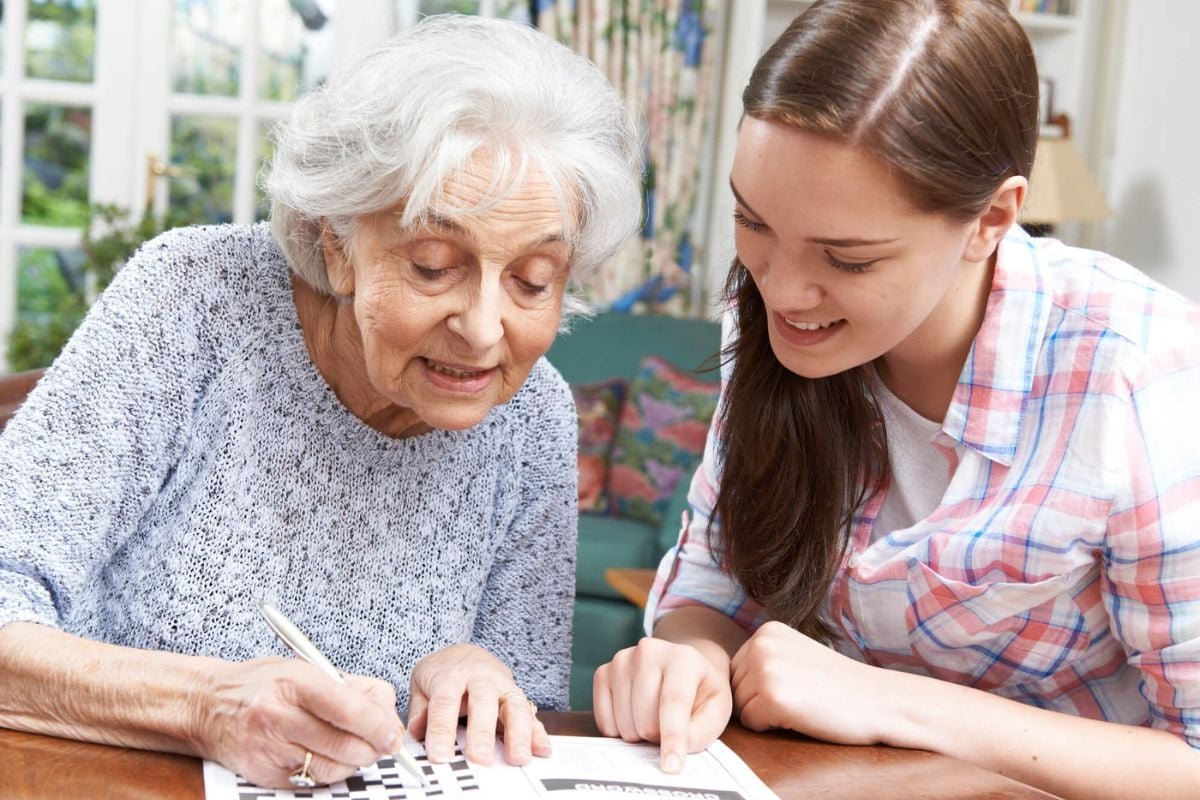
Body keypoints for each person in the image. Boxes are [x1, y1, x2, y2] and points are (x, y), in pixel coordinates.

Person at [0, 15, 640, 790]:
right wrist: (204, 703)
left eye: (533, 280)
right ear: (336, 243)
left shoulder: (534, 416)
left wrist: (478, 678)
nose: (480, 329)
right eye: (434, 266)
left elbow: (525, 716)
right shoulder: (192, 299)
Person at [592, 1, 1200, 797]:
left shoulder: (1137, 374)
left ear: (992, 217)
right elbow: (712, 588)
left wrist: (885, 702)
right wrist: (690, 660)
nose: (780, 289)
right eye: (752, 221)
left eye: (847, 259)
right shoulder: (783, 320)